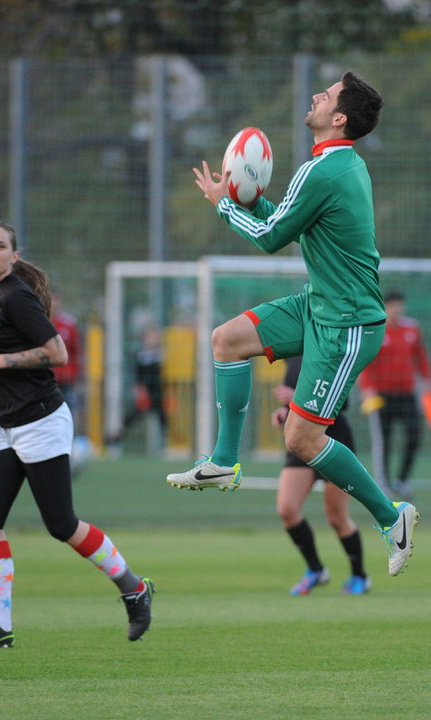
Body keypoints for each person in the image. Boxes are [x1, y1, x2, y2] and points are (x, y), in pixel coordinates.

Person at [166, 71, 419, 577]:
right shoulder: (340, 165)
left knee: (302, 440)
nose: (315, 97)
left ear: (339, 117)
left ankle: (395, 519)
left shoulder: (321, 169)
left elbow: (268, 238)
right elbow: (284, 221)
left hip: (347, 323)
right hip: (320, 304)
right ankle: (223, 462)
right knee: (227, 339)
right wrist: (244, 198)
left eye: (324, 96)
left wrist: (223, 205)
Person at [0, 220, 155, 648]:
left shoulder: (16, 295)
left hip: (40, 420)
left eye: (0, 246)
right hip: (0, 422)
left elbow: (56, 353)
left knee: (61, 524)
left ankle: (133, 587)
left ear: (14, 255)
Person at [273, 357, 370, 595]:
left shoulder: (330, 352)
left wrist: (294, 398)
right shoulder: (293, 353)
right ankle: (315, 570)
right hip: (300, 439)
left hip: (333, 438)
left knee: (337, 516)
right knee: (287, 510)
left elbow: (342, 401)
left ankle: (359, 576)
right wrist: (284, 412)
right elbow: (295, 401)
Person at [359, 290, 431, 501]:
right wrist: (368, 388)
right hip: (381, 395)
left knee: (414, 434)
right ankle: (383, 484)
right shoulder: (376, 329)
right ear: (385, 307)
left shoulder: (412, 328)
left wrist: (426, 383)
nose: (397, 309)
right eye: (393, 305)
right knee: (384, 441)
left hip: (407, 393)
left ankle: (402, 480)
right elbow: (366, 361)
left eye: (400, 305)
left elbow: (421, 357)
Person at [107, 324, 168, 445]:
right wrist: (139, 390)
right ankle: (115, 439)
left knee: (163, 418)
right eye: (152, 336)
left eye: (156, 336)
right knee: (132, 417)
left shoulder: (161, 354)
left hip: (158, 393)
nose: (155, 339)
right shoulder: (142, 355)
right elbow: (137, 377)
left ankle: (167, 445)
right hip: (146, 393)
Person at [50, 288, 82, 420]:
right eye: (50, 300)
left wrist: (77, 377)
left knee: (66, 415)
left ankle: (69, 440)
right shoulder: (38, 322)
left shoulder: (69, 324)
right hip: (45, 380)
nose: (53, 303)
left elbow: (76, 352)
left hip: (66, 381)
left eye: (56, 299)